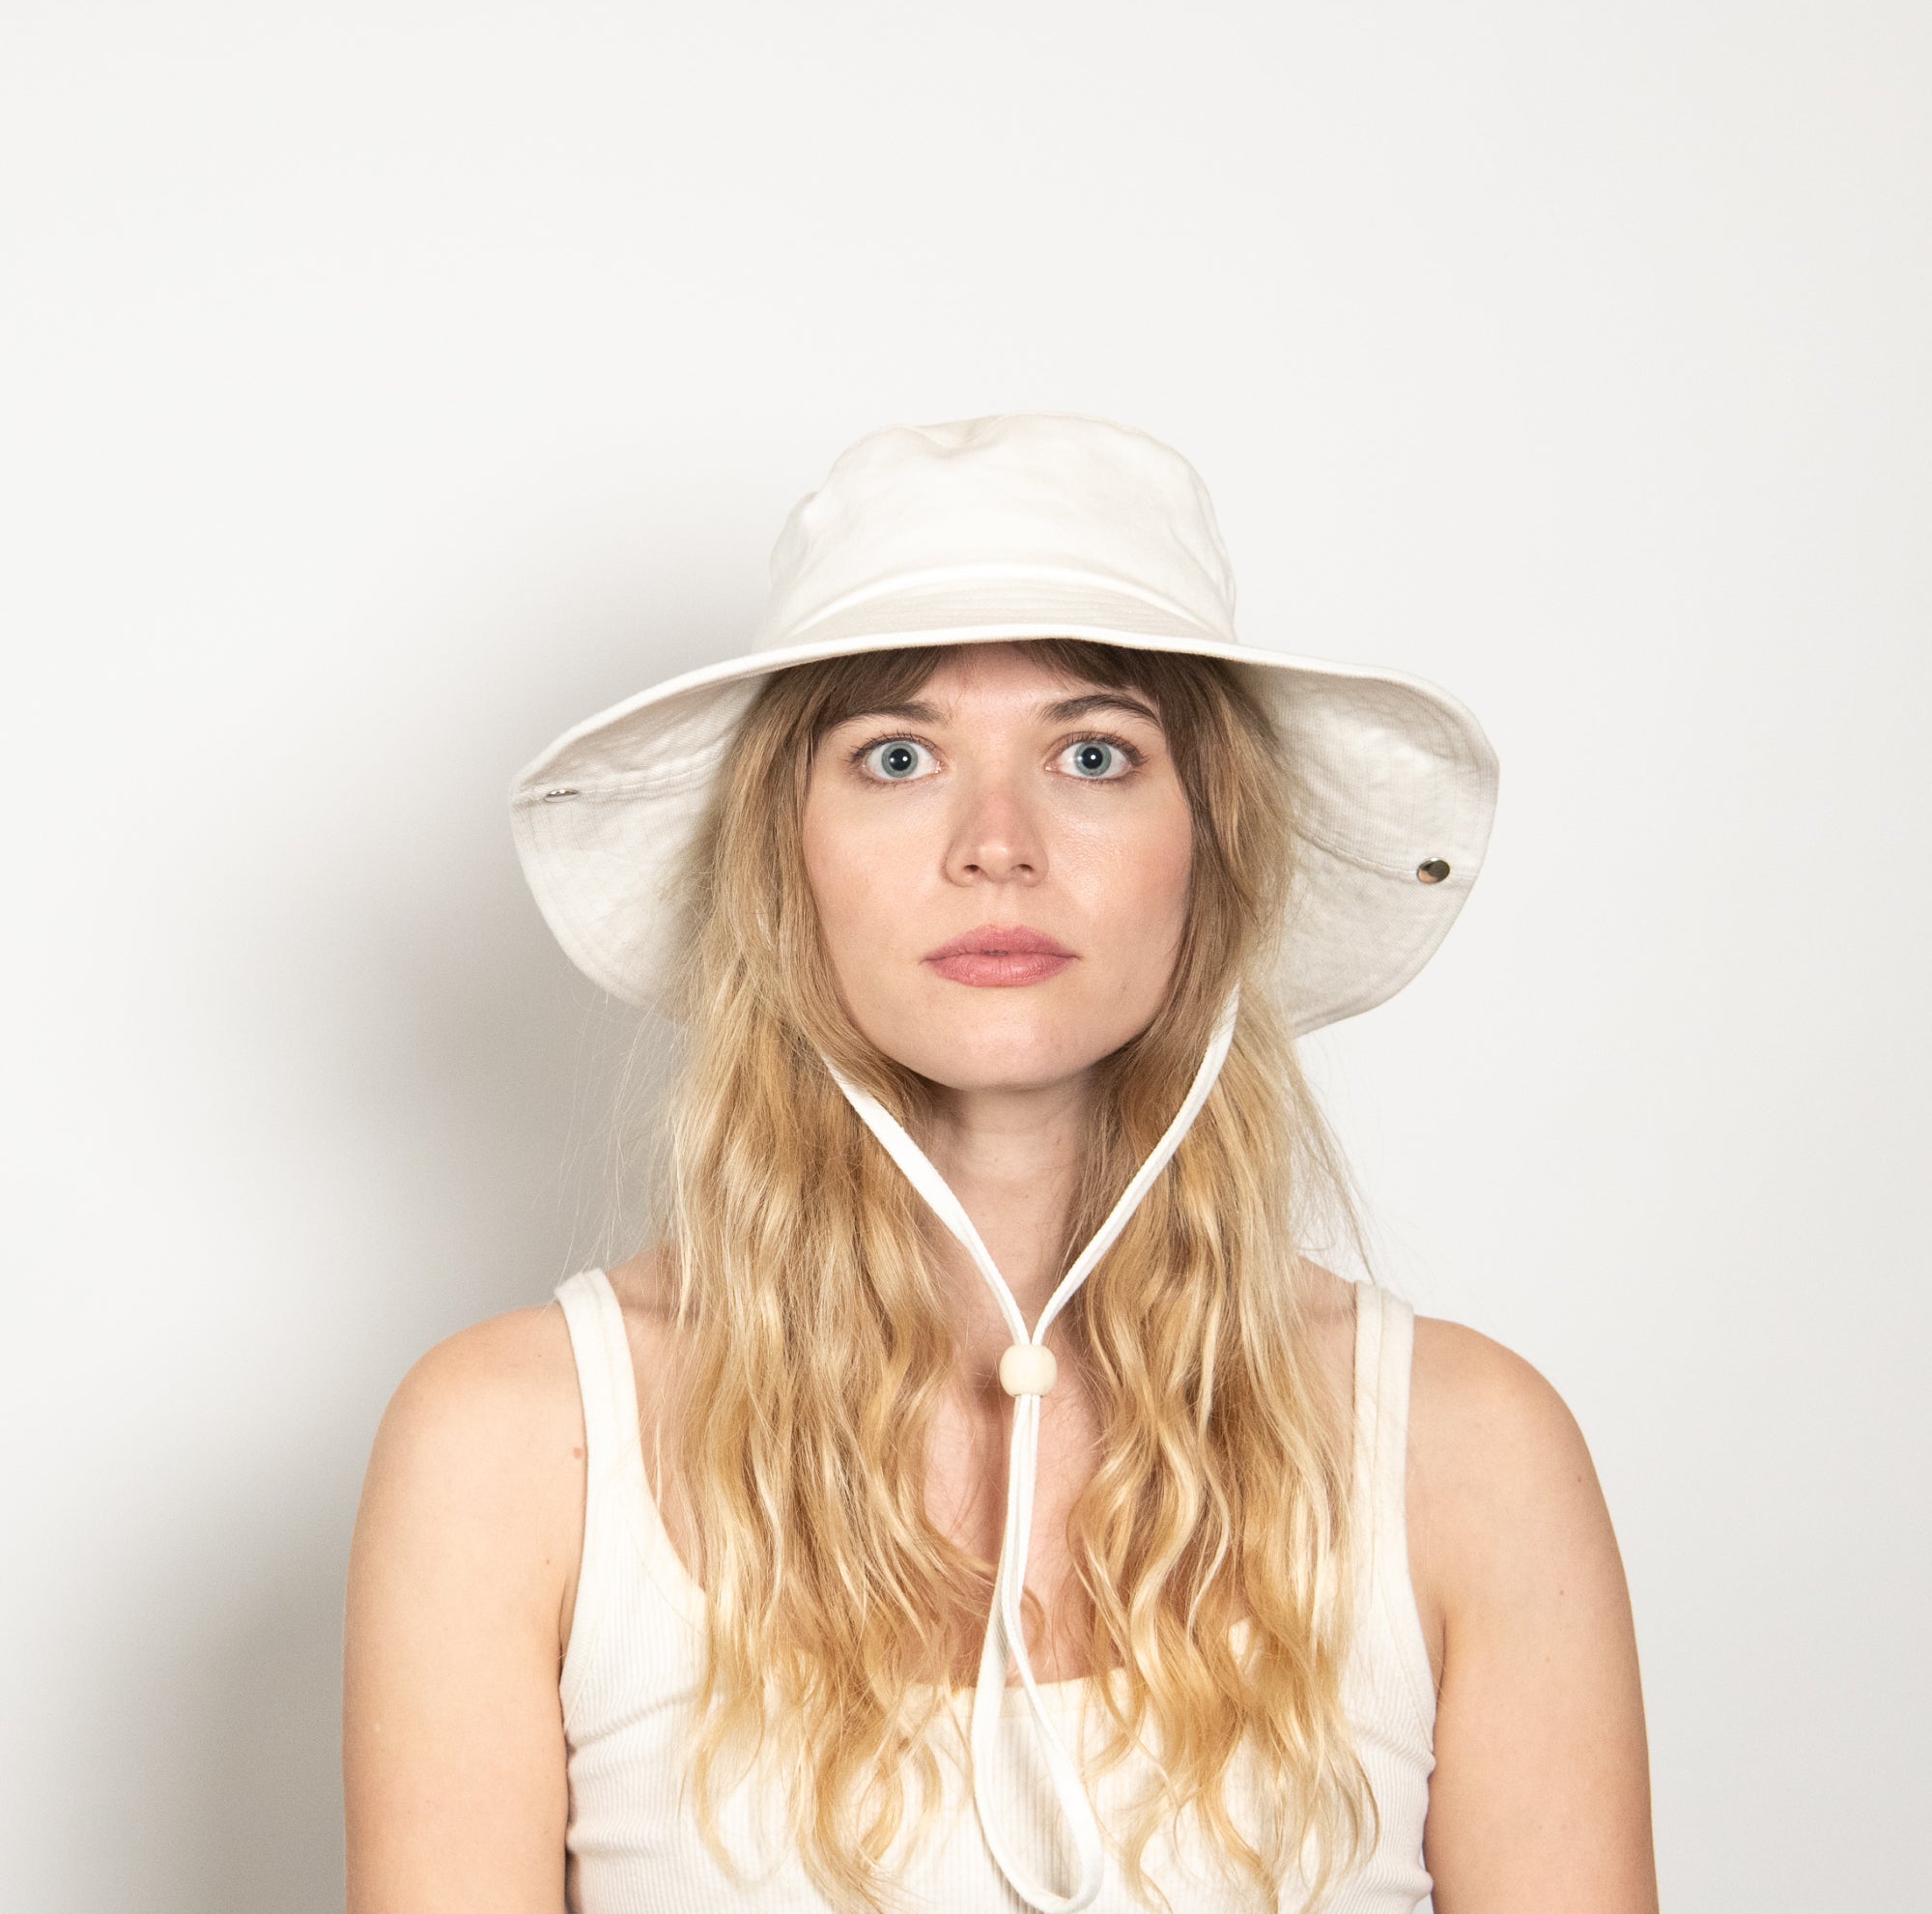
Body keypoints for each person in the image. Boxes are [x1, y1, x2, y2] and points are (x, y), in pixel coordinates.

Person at [343, 414, 1659, 1913]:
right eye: (897, 757)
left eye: (1093, 754)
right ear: (785, 856)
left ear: (1211, 849)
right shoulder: (513, 1452)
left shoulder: (1470, 1454)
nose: (998, 844)